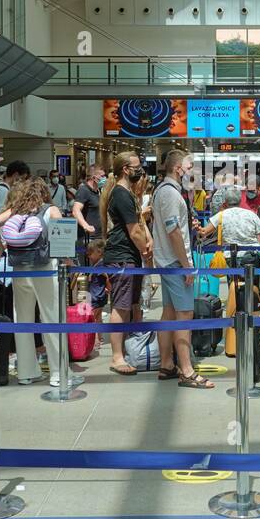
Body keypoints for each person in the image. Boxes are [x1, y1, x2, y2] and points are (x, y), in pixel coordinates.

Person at [0, 177, 67, 387]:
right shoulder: (50, 210)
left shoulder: (16, 211)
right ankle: (57, 373)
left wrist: (1, 247)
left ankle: (26, 372)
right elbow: (63, 241)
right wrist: (66, 260)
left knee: (22, 318)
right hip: (45, 269)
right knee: (52, 317)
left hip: (19, 269)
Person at [152, 149, 206, 388]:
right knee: (184, 315)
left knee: (170, 314)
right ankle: (186, 370)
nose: (191, 171)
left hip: (167, 261)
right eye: (189, 166)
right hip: (175, 263)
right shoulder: (171, 195)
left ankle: (167, 364)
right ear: (177, 168)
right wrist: (186, 266)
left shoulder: (165, 192)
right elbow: (174, 232)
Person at [102, 151, 152, 375]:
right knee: (121, 306)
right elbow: (134, 230)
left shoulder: (126, 193)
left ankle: (125, 350)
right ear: (125, 169)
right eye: (136, 165)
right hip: (122, 256)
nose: (139, 169)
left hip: (128, 256)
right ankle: (116, 356)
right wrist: (145, 249)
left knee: (130, 304)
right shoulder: (121, 194)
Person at [72, 165, 105, 251]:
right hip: (88, 238)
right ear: (94, 178)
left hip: (99, 237)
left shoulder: (99, 191)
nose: (104, 178)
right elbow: (76, 210)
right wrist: (85, 226)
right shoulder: (83, 190)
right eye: (102, 176)